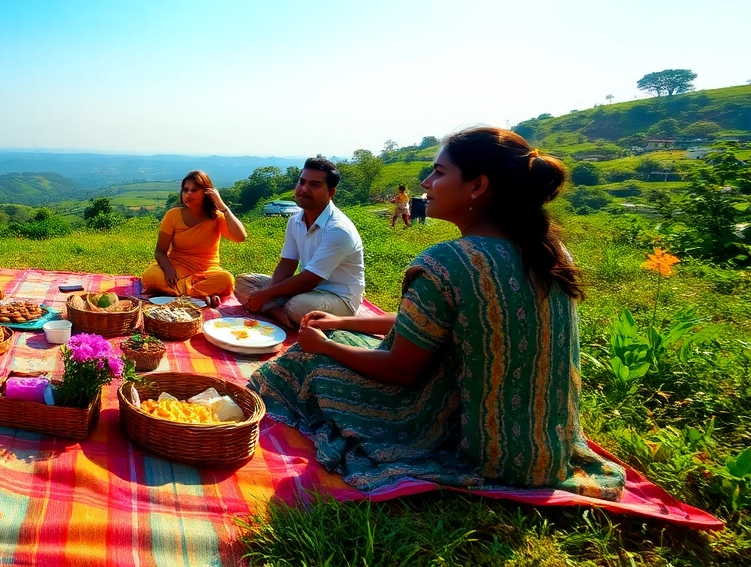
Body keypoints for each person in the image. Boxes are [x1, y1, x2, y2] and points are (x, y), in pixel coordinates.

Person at [248, 128, 625, 499]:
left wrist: (324, 346)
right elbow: (430, 325)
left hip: (472, 446)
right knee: (337, 333)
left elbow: (401, 369)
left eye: (439, 172)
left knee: (303, 361)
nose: (427, 183)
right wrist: (344, 322)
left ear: (477, 186)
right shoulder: (551, 253)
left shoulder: (448, 261)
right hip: (545, 450)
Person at [234, 157, 365, 330]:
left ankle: (280, 313)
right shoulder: (296, 220)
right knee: (244, 282)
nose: (304, 189)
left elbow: (309, 280)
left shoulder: (338, 229)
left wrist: (266, 295)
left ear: (331, 192)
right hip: (306, 291)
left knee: (298, 306)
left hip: (338, 298)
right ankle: (280, 312)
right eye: (302, 182)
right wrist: (268, 294)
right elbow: (287, 263)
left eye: (314, 185)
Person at [139, 171, 247, 299]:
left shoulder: (216, 217)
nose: (188, 194)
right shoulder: (173, 215)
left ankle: (179, 291)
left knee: (227, 280)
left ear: (207, 192)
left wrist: (223, 207)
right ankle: (200, 293)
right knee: (150, 277)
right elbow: (160, 252)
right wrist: (168, 269)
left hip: (207, 270)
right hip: (177, 266)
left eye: (194, 190)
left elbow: (241, 237)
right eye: (185, 190)